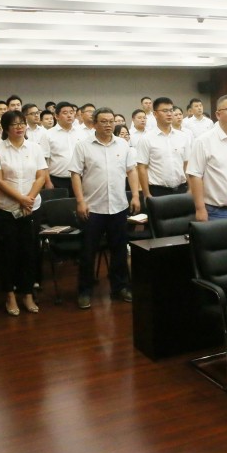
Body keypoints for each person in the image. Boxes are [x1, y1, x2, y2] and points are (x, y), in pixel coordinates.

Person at [70, 107, 140, 310]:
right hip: (93, 208)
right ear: (94, 124)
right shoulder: (83, 146)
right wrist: (80, 201)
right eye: (104, 121)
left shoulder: (123, 144)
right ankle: (84, 291)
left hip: (118, 206)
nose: (109, 125)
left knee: (119, 251)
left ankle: (120, 287)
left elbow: (131, 170)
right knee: (88, 253)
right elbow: (75, 174)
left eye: (111, 121)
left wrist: (135, 195)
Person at [0, 110, 47, 316]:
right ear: (6, 128)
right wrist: (20, 199)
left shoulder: (34, 148)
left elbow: (41, 176)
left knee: (30, 252)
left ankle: (27, 293)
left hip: (31, 208)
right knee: (9, 253)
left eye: (22, 123)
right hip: (6, 209)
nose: (20, 127)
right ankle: (10, 295)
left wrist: (29, 198)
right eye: (14, 124)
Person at [137, 97, 191, 198]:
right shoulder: (146, 139)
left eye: (171, 110)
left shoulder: (183, 137)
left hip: (182, 189)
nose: (169, 114)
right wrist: (147, 194)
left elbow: (186, 164)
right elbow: (142, 168)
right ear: (155, 114)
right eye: (165, 111)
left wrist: (190, 188)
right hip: (158, 191)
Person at [45, 102, 81, 189]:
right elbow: (44, 161)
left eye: (71, 112)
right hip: (57, 180)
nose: (69, 115)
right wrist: (47, 181)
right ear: (56, 116)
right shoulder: (48, 134)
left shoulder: (81, 133)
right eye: (65, 113)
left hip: (79, 178)